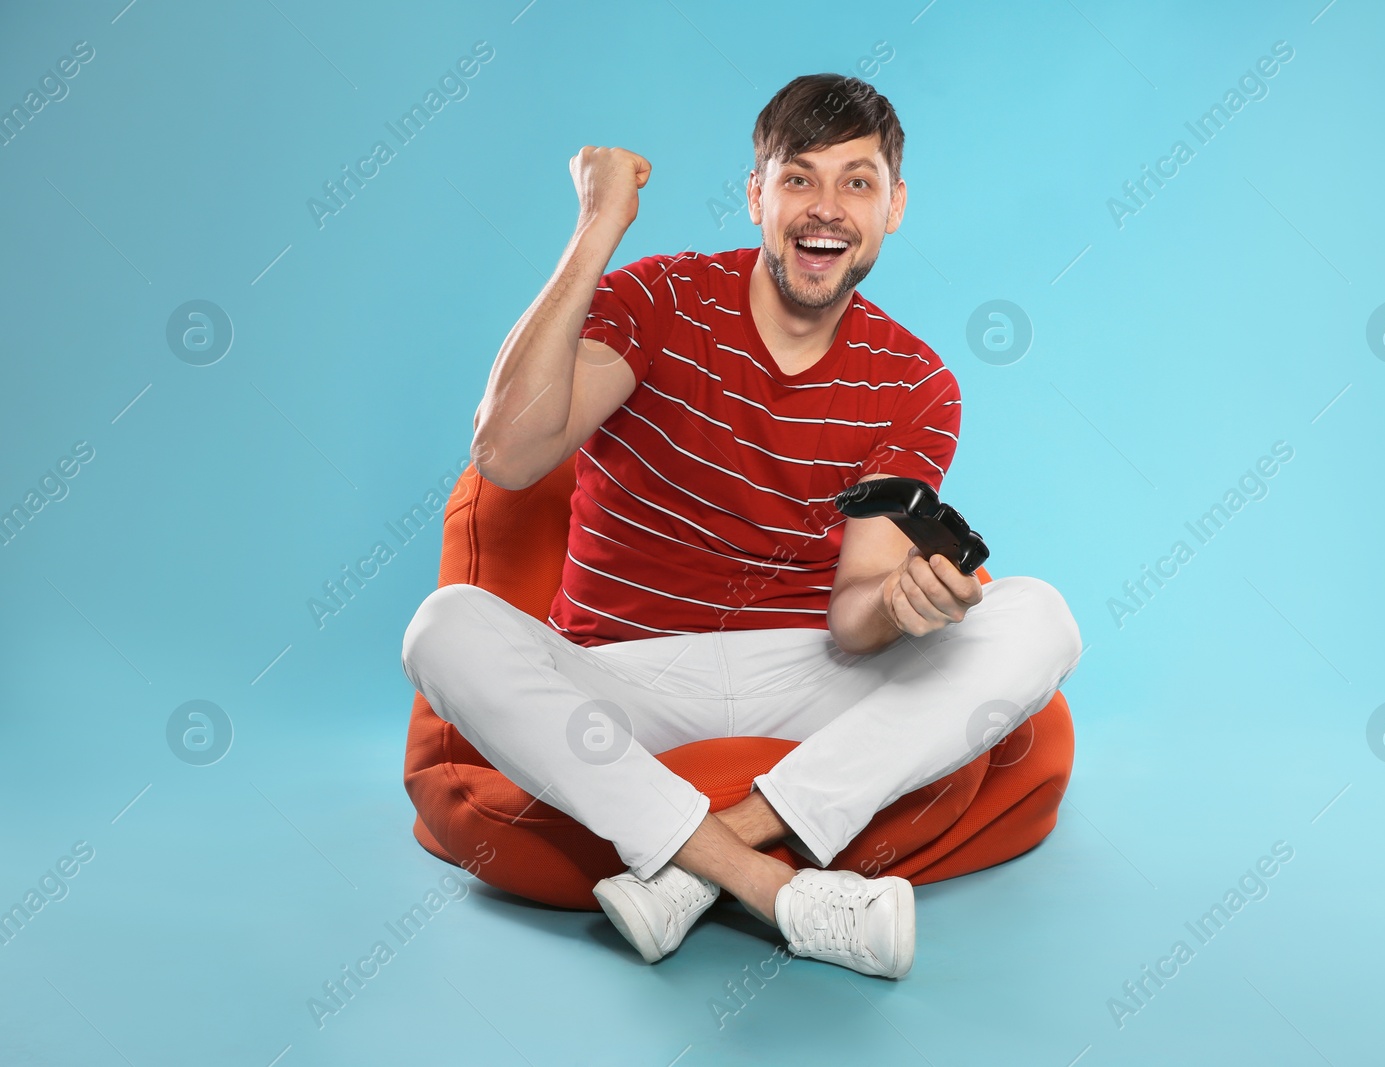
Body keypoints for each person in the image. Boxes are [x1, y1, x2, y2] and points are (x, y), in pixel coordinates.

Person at [400, 73, 1081, 980]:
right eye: (798, 178)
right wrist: (599, 226)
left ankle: (696, 861)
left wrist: (909, 605)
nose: (825, 209)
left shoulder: (913, 381)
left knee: (1037, 616)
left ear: (894, 206)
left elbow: (853, 616)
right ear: (756, 193)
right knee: (443, 627)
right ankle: (773, 889)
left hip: (804, 669)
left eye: (857, 182)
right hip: (621, 675)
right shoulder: (661, 300)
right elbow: (508, 457)